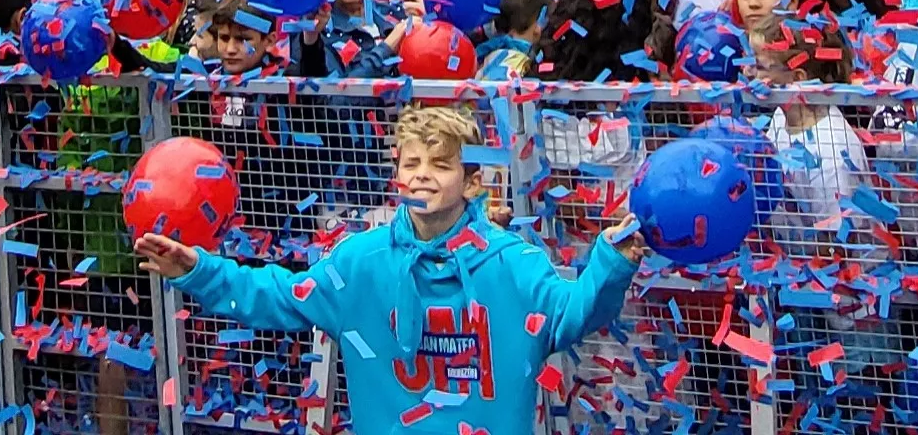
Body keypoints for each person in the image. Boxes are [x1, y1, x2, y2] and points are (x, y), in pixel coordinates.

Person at [132, 104, 644, 435]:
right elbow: (280, 295)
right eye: (411, 164)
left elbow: (574, 314)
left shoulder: (515, 262)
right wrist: (196, 270)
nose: (422, 176)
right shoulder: (362, 259)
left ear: (472, 181)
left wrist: (609, 263)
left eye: (440, 165)